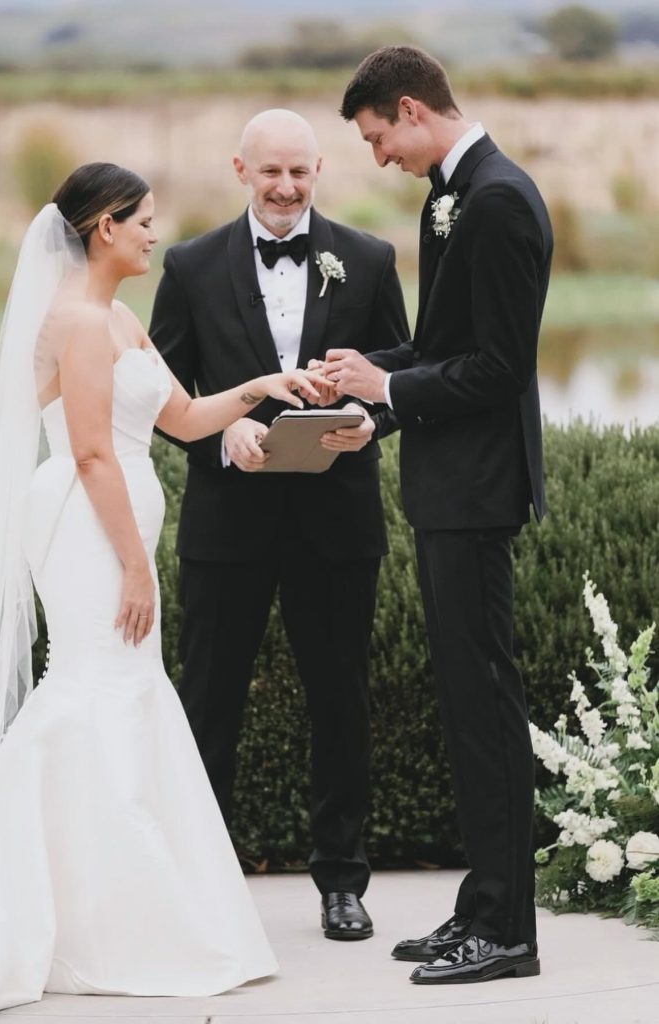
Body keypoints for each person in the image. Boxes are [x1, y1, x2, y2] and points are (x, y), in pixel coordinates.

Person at [0, 163, 326, 1023]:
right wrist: (134, 563)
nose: (152, 234)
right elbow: (94, 452)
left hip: (115, 523)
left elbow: (179, 419)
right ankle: (56, 902)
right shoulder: (72, 321)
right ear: (103, 226)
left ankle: (105, 904)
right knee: (90, 687)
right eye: (141, 221)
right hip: (86, 530)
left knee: (124, 691)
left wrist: (260, 389)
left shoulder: (119, 317)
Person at [316, 46, 552, 984]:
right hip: (448, 487)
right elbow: (443, 346)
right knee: (465, 704)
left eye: (377, 138)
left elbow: (498, 368)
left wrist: (393, 387)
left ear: (410, 110)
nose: (378, 157)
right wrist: (367, 396)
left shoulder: (494, 200)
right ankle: (480, 908)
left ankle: (507, 932)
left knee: (485, 707)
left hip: (477, 490)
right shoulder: (452, 195)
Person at [149, 109, 409, 941]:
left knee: (339, 704)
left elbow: (402, 373)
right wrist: (221, 429)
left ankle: (342, 883)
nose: (287, 189)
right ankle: (201, 883)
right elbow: (158, 393)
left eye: (300, 173)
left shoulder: (367, 260)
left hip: (336, 523)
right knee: (207, 705)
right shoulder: (189, 267)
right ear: (239, 169)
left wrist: (368, 422)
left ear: (319, 168)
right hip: (227, 524)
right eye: (271, 174)